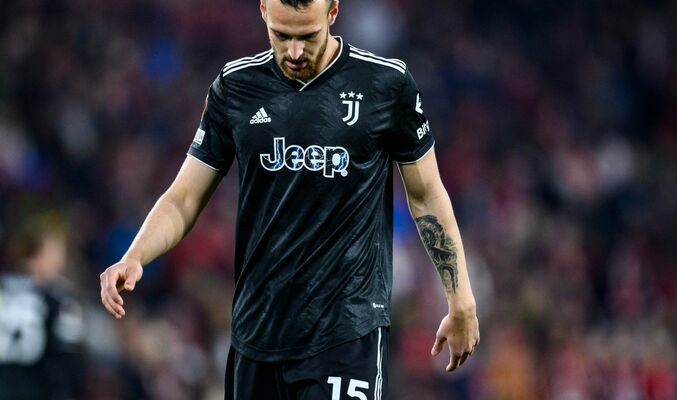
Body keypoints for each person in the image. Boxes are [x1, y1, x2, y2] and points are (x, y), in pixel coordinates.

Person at [99, 0, 479, 398]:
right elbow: (185, 197)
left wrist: (460, 298)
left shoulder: (386, 84)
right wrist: (135, 255)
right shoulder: (236, 87)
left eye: (307, 36)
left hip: (346, 332)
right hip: (256, 334)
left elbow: (426, 194)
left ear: (333, 12)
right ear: (263, 10)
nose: (294, 52)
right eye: (281, 36)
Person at [0, 213, 85, 400]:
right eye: (56, 252)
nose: (60, 261)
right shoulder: (57, 298)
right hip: (37, 389)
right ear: (39, 252)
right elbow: (68, 361)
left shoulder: (3, 290)